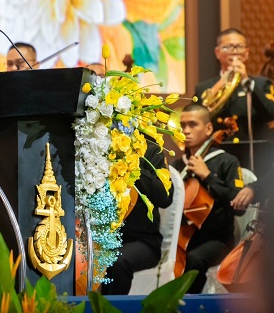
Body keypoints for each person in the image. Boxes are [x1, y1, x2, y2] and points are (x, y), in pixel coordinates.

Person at [172, 103, 244, 293]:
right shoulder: (177, 165)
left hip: (217, 240)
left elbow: (239, 205)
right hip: (183, 238)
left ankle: (189, 304)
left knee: (193, 260)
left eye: (193, 124)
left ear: (209, 128)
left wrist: (208, 176)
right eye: (183, 125)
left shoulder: (227, 161)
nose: (186, 130)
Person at [101, 142, 173, 295]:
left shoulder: (151, 150)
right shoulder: (99, 145)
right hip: (101, 239)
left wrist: (133, 164)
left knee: (118, 260)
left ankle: (110, 307)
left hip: (142, 241)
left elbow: (165, 197)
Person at [194, 29, 274, 167]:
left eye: (239, 47)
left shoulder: (262, 84)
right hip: (217, 156)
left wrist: (247, 82)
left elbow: (271, 113)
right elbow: (198, 120)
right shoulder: (204, 88)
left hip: (254, 157)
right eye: (228, 47)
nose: (235, 51)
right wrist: (220, 85)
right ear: (217, 52)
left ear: (247, 52)